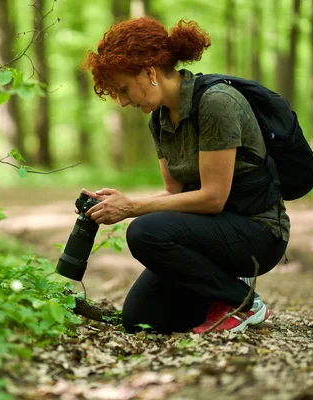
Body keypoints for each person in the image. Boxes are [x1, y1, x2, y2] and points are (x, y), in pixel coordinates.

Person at [81, 17, 290, 334]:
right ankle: (218, 295)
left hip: (257, 232)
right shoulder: (160, 119)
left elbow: (213, 198)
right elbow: (174, 194)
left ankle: (243, 302)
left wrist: (133, 209)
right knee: (140, 319)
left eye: (123, 89)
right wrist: (117, 203)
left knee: (144, 232)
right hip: (209, 235)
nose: (123, 102)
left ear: (150, 73)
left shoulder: (216, 103)